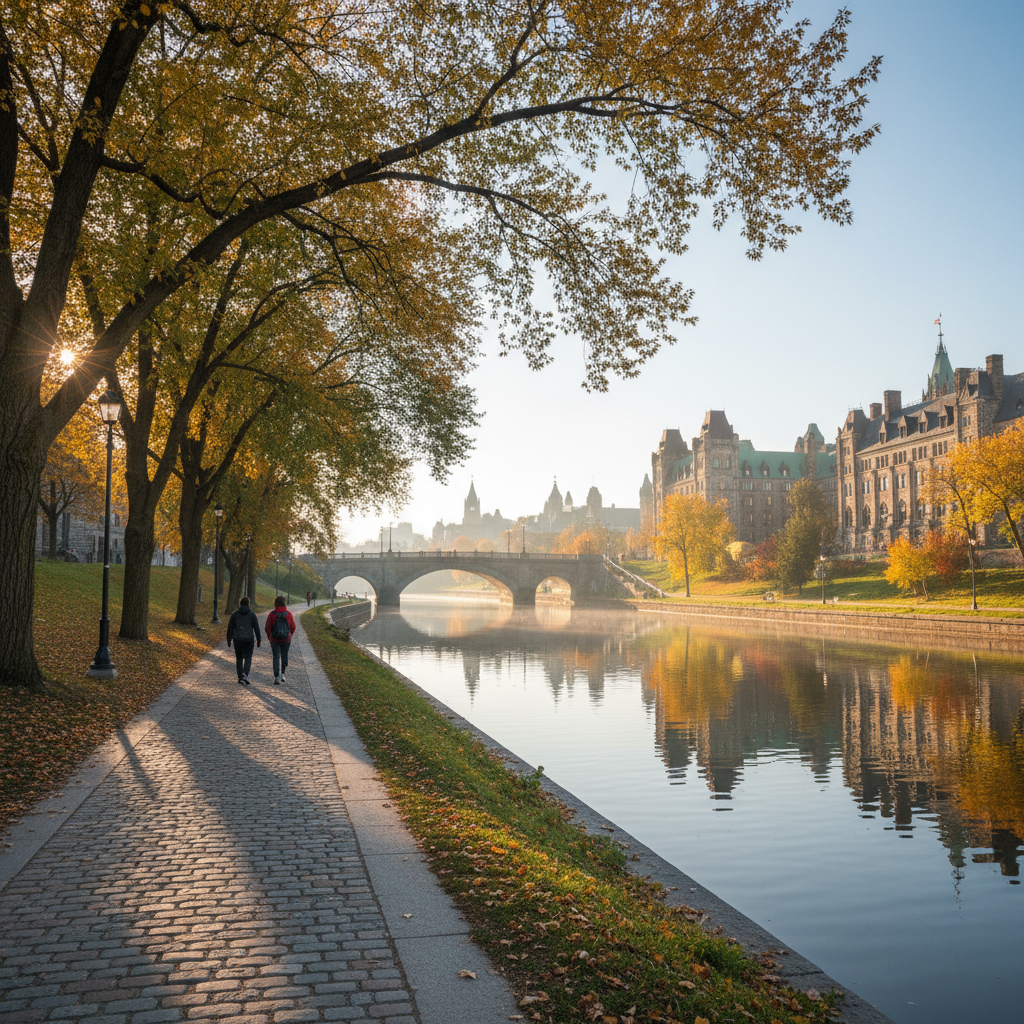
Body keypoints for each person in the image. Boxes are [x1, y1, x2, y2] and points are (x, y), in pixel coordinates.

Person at [226, 596, 261, 685]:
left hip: (238, 639)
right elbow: (256, 628)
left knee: (239, 658)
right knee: (248, 657)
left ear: (240, 604)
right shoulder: (252, 615)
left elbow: (230, 628)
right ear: (248, 604)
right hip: (249, 639)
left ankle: (240, 677)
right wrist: (258, 639)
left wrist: (229, 640)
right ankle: (245, 673)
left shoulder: (235, 614)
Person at [265, 597, 296, 685]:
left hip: (274, 639)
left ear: (276, 603)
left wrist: (269, 636)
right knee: (284, 656)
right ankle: (282, 673)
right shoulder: (289, 614)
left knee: (276, 657)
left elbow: (267, 627)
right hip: (286, 639)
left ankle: (276, 676)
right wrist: (289, 635)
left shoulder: (272, 614)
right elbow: (293, 627)